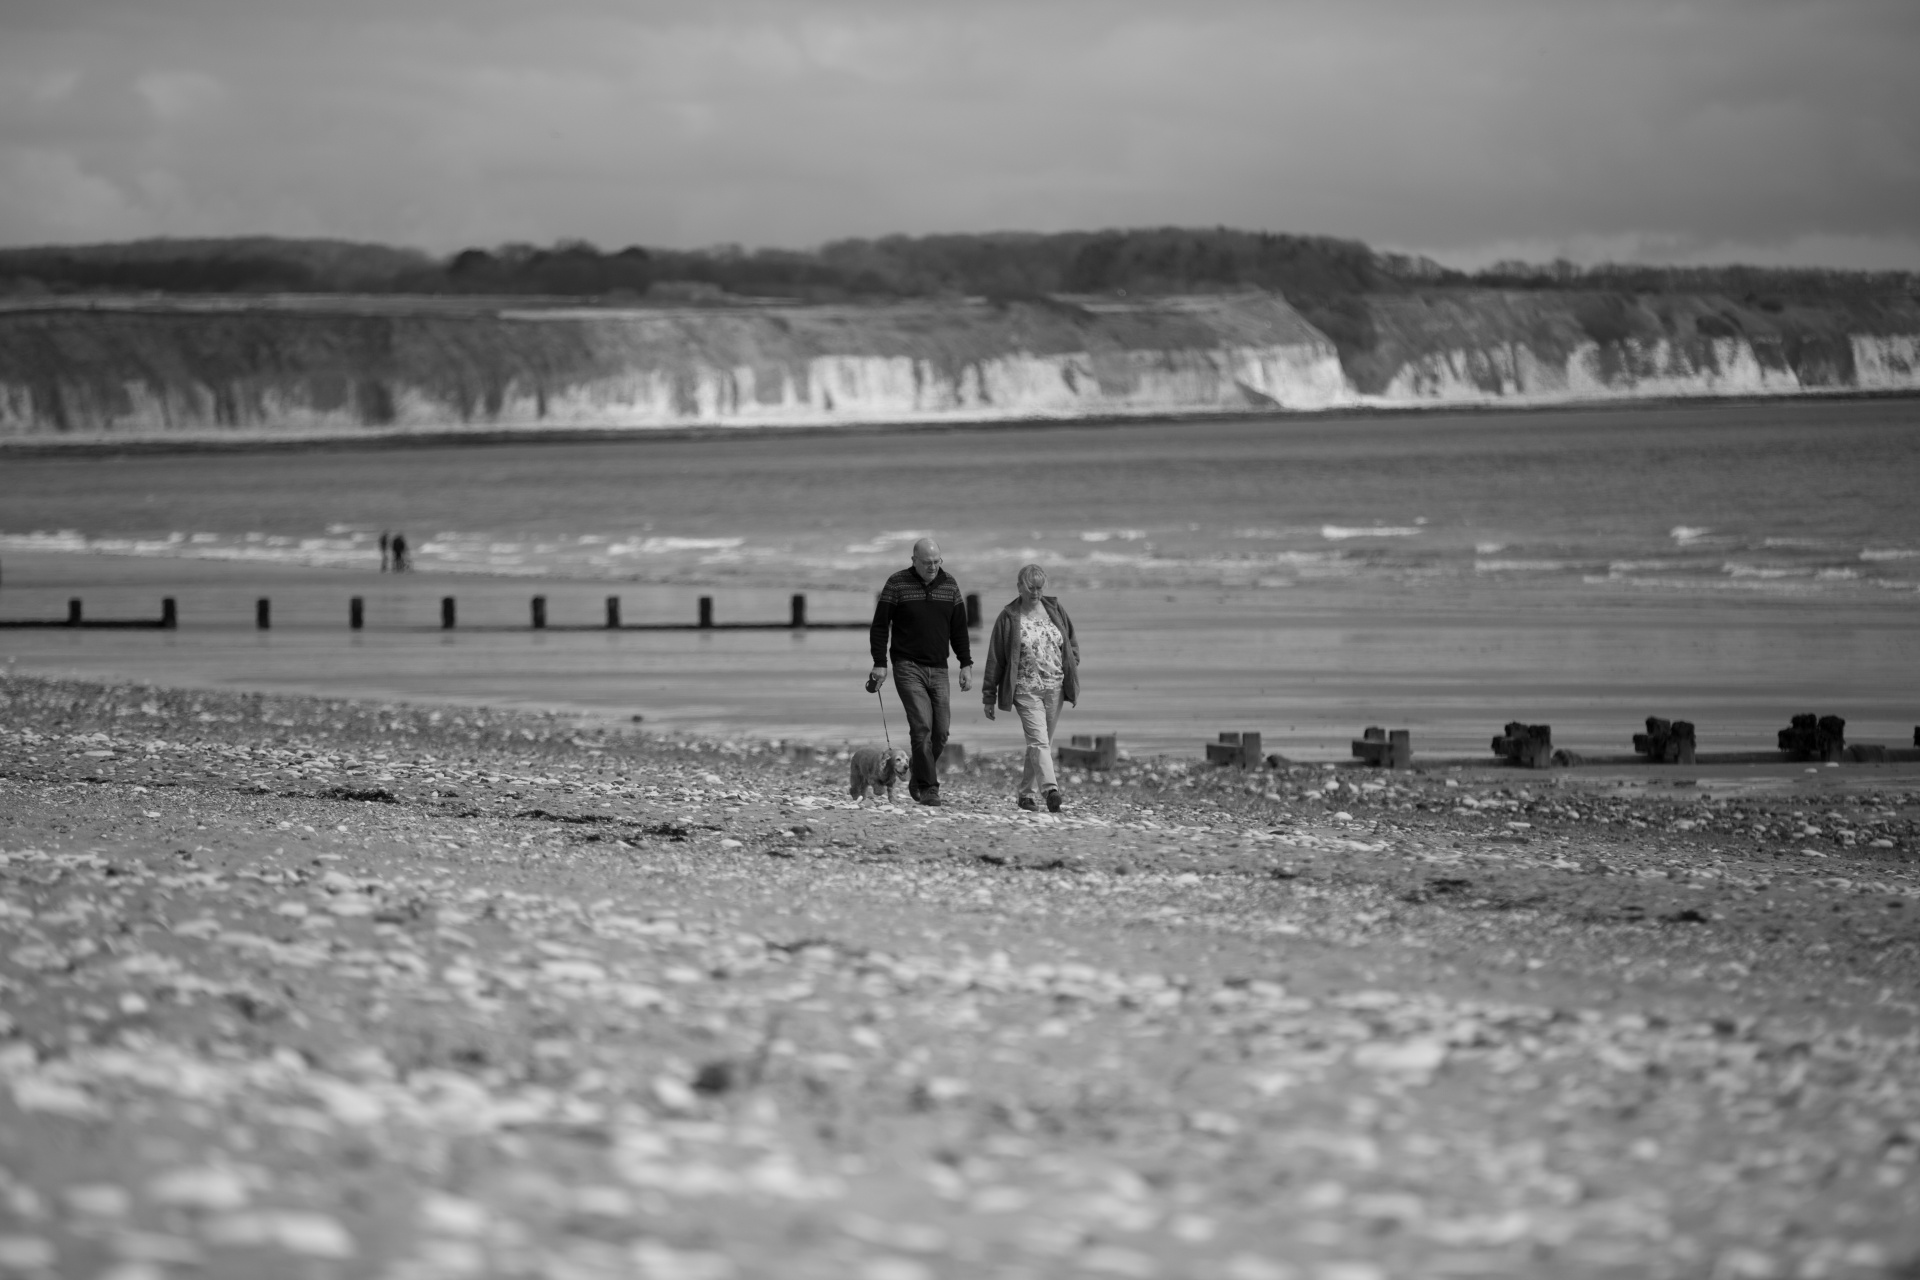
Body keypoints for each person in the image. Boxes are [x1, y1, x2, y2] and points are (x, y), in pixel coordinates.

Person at [868, 537, 972, 806]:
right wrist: (880, 663)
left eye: (937, 562)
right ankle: (929, 787)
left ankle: (915, 775)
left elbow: (959, 629)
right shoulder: (897, 583)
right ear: (913, 560)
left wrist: (966, 664)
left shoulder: (949, 585)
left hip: (939, 667)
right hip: (907, 666)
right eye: (927, 563)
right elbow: (880, 626)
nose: (933, 567)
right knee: (922, 728)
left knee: (941, 732)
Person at [981, 563, 1078, 813]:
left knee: (1040, 744)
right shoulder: (1009, 617)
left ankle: (1025, 795)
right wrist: (989, 695)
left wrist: (1071, 663)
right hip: (1025, 689)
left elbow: (1071, 642)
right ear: (1019, 587)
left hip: (1055, 686)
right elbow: (995, 658)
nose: (1035, 592)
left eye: (1039, 587)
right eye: (1030, 587)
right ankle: (1051, 791)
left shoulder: (1054, 609)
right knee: (1039, 742)